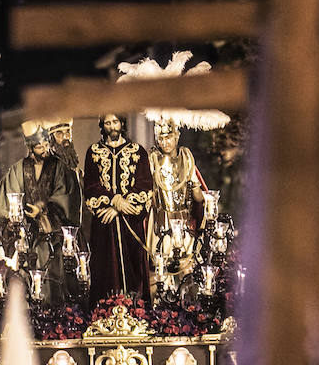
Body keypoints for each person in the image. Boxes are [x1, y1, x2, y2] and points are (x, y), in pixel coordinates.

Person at [83, 113, 153, 305]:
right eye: (107, 123)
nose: (112, 126)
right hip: (104, 224)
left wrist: (119, 208)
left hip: (130, 222)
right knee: (105, 267)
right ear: (102, 125)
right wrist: (114, 200)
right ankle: (105, 311)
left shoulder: (138, 152)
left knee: (134, 267)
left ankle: (135, 310)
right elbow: (90, 186)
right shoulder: (94, 152)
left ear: (122, 123)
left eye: (115, 122)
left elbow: (145, 184)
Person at [0, 120, 73, 266]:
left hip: (54, 233)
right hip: (27, 235)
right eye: (39, 147)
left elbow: (64, 195)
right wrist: (15, 219)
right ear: (30, 148)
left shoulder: (58, 167)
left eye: (46, 145)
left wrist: (44, 210)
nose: (44, 150)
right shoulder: (18, 169)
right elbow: (9, 196)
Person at [146, 119, 206, 261]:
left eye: (168, 137)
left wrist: (202, 196)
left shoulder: (186, 157)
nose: (165, 142)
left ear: (177, 136)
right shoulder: (153, 159)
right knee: (161, 268)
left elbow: (198, 197)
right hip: (160, 221)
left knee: (187, 265)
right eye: (161, 138)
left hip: (184, 221)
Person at [47, 120, 82, 231]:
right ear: (51, 139)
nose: (65, 137)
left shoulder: (71, 164)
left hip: (74, 228)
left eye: (68, 132)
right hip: (59, 230)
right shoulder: (51, 165)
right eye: (59, 134)